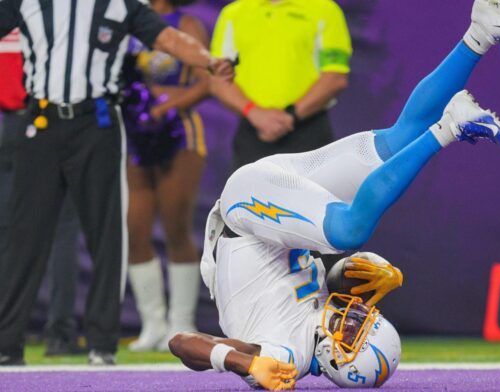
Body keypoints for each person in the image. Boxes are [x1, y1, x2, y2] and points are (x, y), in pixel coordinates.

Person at [168, 0, 500, 389]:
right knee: (399, 138)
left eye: (353, 332)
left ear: (337, 358)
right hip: (275, 204)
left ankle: (448, 130)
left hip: (248, 212)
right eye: (362, 320)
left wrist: (242, 363)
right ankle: (479, 34)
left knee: (347, 231)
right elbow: (312, 291)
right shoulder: (317, 330)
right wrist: (359, 276)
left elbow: (182, 342)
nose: (353, 318)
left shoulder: (281, 356)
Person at [0, 0, 232, 366]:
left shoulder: (120, 4)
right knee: (23, 234)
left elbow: (168, 38)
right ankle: (6, 344)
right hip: (40, 120)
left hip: (98, 121)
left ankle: (101, 343)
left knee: (106, 233)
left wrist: (208, 60)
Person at [121, 0, 209, 353]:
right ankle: (153, 324)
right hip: (138, 135)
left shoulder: (185, 23)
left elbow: (208, 81)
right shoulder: (127, 21)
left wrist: (167, 106)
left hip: (179, 132)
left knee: (175, 224)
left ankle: (181, 322)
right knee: (135, 227)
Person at [0, 29, 83, 357]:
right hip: (44, 121)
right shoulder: (46, 14)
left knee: (8, 234)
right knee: (62, 230)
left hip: (9, 124)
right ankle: (60, 334)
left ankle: (8, 332)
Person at [209, 0, 352, 172]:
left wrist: (291, 116)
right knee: (249, 198)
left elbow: (335, 76)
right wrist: (254, 113)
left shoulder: (325, 10)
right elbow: (218, 79)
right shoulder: (233, 13)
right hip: (252, 133)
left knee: (307, 199)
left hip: (308, 131)